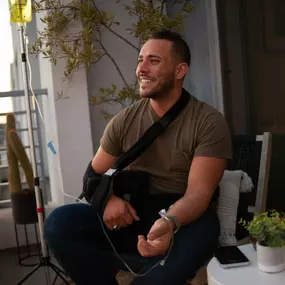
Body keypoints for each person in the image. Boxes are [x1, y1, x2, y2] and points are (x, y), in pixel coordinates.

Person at [44, 29, 232, 285]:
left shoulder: (208, 122)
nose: (141, 69)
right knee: (59, 223)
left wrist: (169, 223)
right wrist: (107, 201)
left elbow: (198, 195)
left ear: (180, 71)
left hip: (187, 218)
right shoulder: (124, 121)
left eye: (153, 61)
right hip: (134, 213)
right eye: (140, 60)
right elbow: (93, 175)